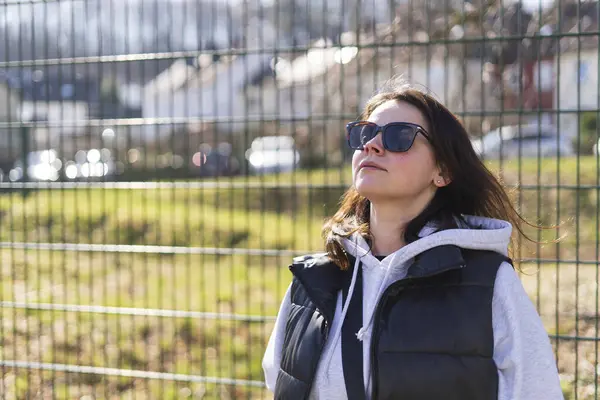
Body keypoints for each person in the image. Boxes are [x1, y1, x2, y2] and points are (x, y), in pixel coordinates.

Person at [262, 79, 564, 400]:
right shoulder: (312, 284)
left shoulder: (488, 282)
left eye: (399, 136)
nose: (372, 145)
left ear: (443, 171)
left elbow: (536, 389)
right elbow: (278, 381)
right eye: (365, 133)